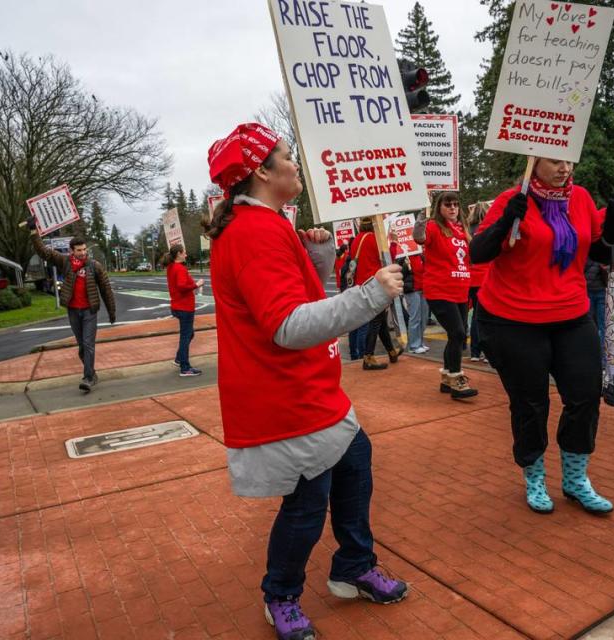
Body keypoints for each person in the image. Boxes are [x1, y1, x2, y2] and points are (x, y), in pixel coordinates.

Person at [204, 123, 408, 640]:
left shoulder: (266, 227)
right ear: (261, 171)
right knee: (308, 503)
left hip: (310, 392)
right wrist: (370, 295)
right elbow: (289, 325)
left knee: (355, 463)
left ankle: (353, 567)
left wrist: (314, 255)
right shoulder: (254, 232)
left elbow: (298, 297)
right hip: (286, 395)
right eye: (288, 156)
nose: (297, 165)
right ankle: (281, 595)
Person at [469, 158, 614, 515]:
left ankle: (575, 480)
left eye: (569, 159)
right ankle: (535, 477)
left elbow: (597, 253)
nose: (565, 167)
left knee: (585, 395)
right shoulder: (513, 198)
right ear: (533, 162)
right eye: (555, 161)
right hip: (512, 319)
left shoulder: (581, 198)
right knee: (531, 404)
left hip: (571, 314)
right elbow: (478, 254)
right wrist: (507, 220)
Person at [27, 226, 115, 393]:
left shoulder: (94, 266)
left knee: (89, 344)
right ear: (71, 251)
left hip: (89, 311)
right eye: (79, 250)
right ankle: (92, 373)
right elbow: (44, 252)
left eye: (84, 249)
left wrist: (111, 311)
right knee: (82, 347)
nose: (82, 253)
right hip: (73, 311)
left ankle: (88, 378)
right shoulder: (65, 262)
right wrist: (33, 232)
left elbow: (106, 289)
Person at [414, 191, 477, 399]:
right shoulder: (434, 226)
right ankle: (457, 380)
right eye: (448, 205)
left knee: (456, 335)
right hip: (440, 290)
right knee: (458, 333)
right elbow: (420, 238)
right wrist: (420, 222)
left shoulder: (462, 230)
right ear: (439, 208)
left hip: (460, 290)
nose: (453, 208)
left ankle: (447, 380)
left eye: (456, 205)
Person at [349, 217, 400, 370]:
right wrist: (394, 243)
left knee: (381, 321)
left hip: (363, 284)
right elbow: (388, 258)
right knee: (377, 321)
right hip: (375, 284)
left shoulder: (357, 239)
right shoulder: (374, 239)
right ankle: (368, 356)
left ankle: (391, 352)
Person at [161, 243, 204, 376]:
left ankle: (180, 359)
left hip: (177, 305)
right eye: (184, 252)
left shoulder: (171, 267)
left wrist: (193, 284)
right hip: (184, 307)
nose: (186, 254)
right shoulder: (179, 268)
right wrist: (196, 285)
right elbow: (181, 286)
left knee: (189, 334)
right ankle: (185, 368)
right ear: (179, 254)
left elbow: (180, 284)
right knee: (186, 336)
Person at [584, 241, 614, 351]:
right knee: (606, 327)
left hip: (587, 287)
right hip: (606, 287)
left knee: (587, 327)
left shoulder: (588, 232)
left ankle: (592, 356)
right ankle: (604, 359)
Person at [468, 205, 489, 362]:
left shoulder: (467, 231)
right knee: (486, 316)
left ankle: (475, 351)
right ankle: (488, 352)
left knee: (475, 314)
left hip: (471, 278)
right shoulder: (488, 228)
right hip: (485, 277)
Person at [399, 251, 429, 354]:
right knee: (415, 318)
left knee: (423, 318)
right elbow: (400, 273)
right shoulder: (404, 257)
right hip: (412, 290)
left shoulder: (421, 256)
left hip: (423, 289)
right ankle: (414, 345)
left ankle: (420, 342)